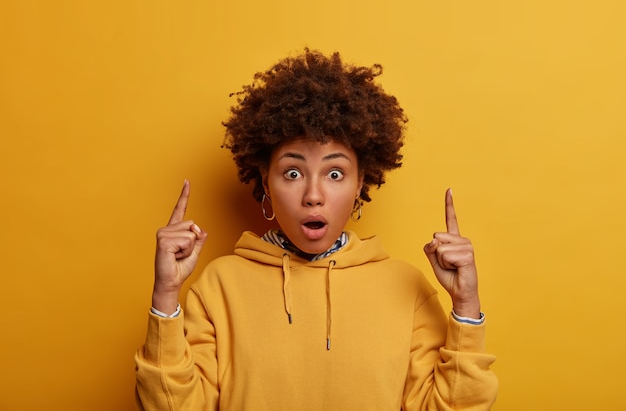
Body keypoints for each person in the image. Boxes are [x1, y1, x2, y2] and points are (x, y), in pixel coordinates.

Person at [135, 50, 498, 410]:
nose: (313, 195)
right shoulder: (218, 287)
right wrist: (166, 295)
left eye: (335, 173)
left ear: (360, 184)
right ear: (266, 182)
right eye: (292, 173)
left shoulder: (408, 288)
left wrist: (466, 306)